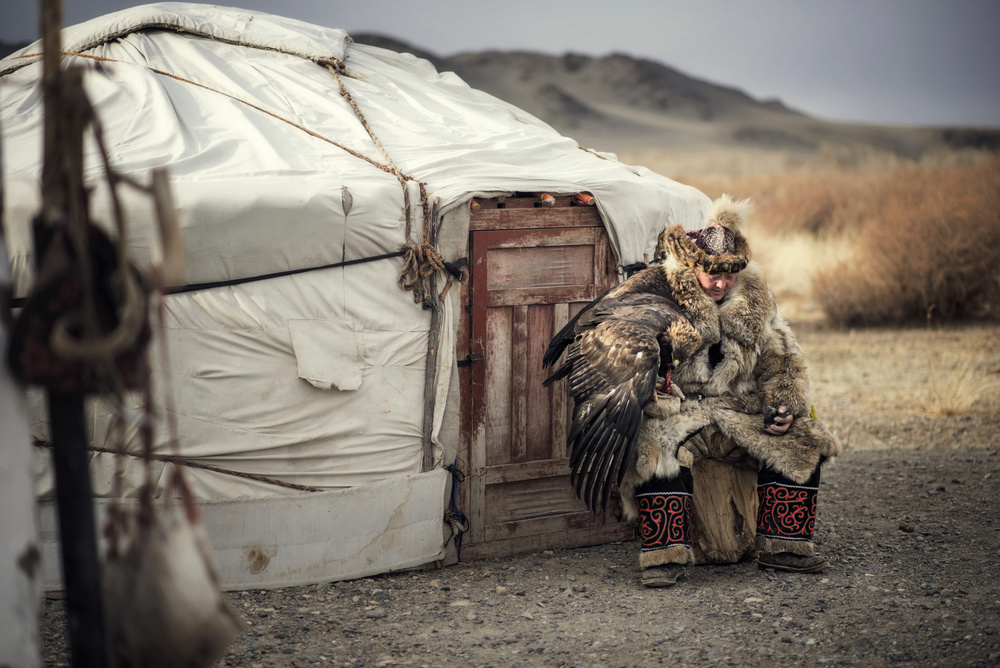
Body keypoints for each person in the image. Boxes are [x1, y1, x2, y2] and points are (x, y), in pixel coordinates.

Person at [617, 194, 841, 588]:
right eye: (711, 275)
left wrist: (784, 407)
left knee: (802, 438)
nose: (720, 283)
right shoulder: (660, 295)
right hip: (682, 413)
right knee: (655, 449)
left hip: (740, 412)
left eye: (729, 276)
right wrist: (660, 400)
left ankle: (784, 547)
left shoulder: (757, 300)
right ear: (692, 266)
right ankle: (664, 558)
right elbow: (632, 362)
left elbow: (783, 360)